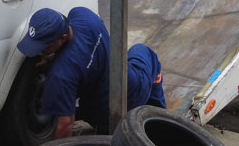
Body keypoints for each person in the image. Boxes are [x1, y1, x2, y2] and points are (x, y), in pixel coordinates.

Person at [16, 7, 164, 137]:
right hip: (127, 89)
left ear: (62, 38)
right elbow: (79, 49)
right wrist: (55, 54)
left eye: (44, 46)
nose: (40, 51)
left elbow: (66, 125)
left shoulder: (61, 75)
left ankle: (159, 116)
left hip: (108, 111)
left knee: (144, 52)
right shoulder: (84, 16)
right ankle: (161, 115)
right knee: (141, 51)